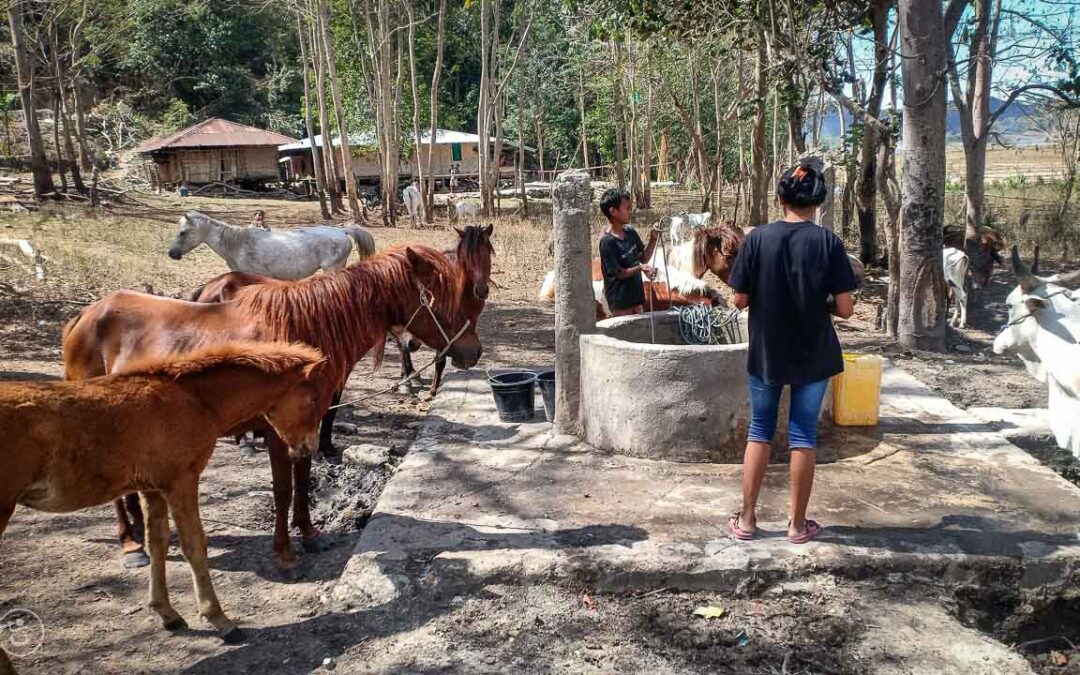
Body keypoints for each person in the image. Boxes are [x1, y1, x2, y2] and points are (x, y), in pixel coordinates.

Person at [727, 159, 857, 545]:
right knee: (803, 436)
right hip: (813, 353)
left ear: (780, 197)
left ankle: (748, 521)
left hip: (767, 351)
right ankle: (797, 526)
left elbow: (738, 299)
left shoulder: (757, 239)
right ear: (817, 203)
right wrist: (824, 305)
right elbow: (846, 308)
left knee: (760, 430)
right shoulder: (829, 243)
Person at [598, 188, 659, 317]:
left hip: (637, 301)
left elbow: (644, 258)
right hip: (620, 304)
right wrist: (641, 268)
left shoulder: (630, 231)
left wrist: (653, 239)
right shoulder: (607, 242)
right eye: (627, 208)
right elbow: (620, 274)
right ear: (613, 211)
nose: (630, 212)